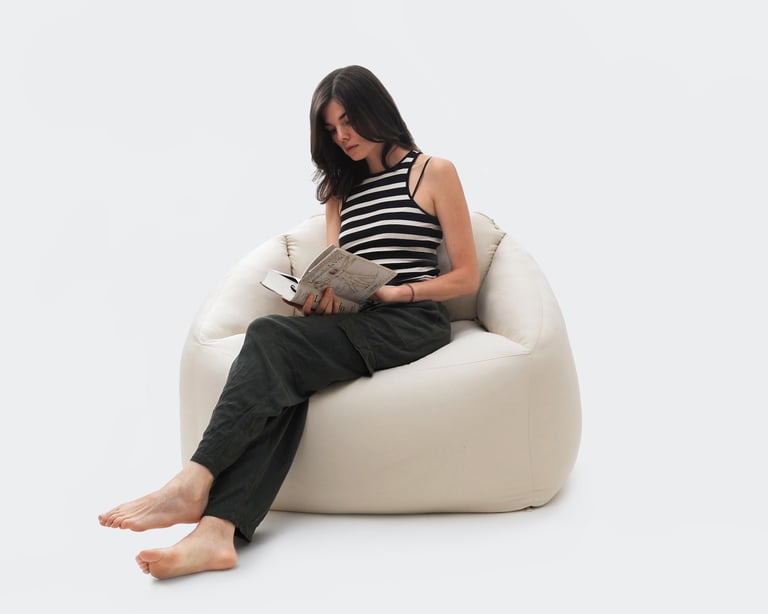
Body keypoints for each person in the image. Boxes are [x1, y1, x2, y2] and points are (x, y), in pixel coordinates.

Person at [98, 64, 480, 579]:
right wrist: (322, 300)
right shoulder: (339, 195)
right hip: (359, 322)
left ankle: (194, 479)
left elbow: (465, 277)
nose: (341, 136)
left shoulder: (433, 172)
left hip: (413, 320)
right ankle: (217, 533)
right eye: (329, 128)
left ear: (377, 111)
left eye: (348, 120)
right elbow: (343, 274)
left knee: (268, 336)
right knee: (286, 378)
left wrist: (397, 291)